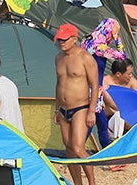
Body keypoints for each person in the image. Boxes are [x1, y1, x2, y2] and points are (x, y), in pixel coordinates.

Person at [54, 23, 97, 185]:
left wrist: (92, 111)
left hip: (81, 107)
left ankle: (92, 183)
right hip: (63, 109)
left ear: (74, 39)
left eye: (64, 40)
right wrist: (57, 110)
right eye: (59, 40)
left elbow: (95, 86)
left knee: (78, 147)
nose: (61, 42)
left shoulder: (85, 58)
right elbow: (58, 84)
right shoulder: (58, 58)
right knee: (69, 149)